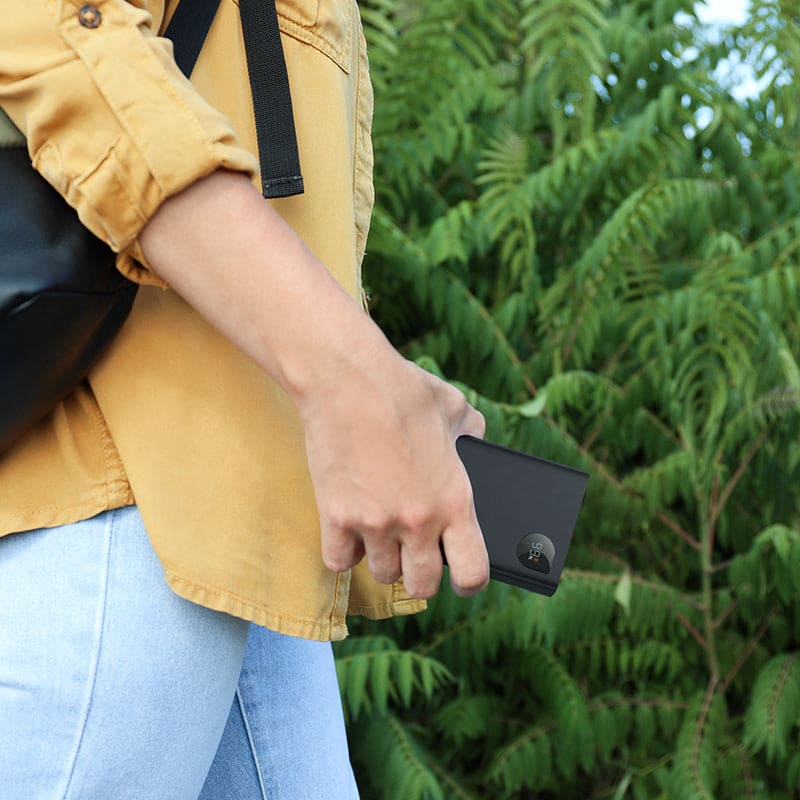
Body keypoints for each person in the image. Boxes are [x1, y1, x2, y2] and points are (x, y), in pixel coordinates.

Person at [0, 0, 489, 797]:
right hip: (118, 506)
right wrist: (349, 377)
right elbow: (55, 31)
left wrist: (370, 384)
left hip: (249, 526)